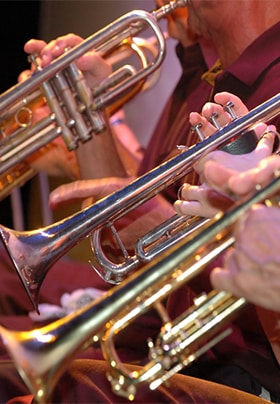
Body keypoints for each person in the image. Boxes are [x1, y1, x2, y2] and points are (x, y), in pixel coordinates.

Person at [1, 0, 280, 401]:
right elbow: (123, 251)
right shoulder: (218, 84)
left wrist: (194, 235)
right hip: (164, 340)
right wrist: (89, 111)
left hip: (226, 365)